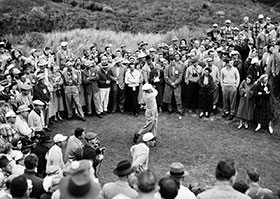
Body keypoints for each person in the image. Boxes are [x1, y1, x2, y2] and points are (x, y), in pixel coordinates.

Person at [220, 56, 240, 120]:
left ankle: (232, 113)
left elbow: (238, 78)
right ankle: (226, 111)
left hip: (232, 86)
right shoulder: (223, 70)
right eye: (230, 62)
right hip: (225, 86)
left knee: (233, 101)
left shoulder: (235, 70)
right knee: (225, 100)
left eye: (232, 62)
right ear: (227, 63)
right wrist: (222, 85)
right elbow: (221, 78)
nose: (232, 64)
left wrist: (236, 86)